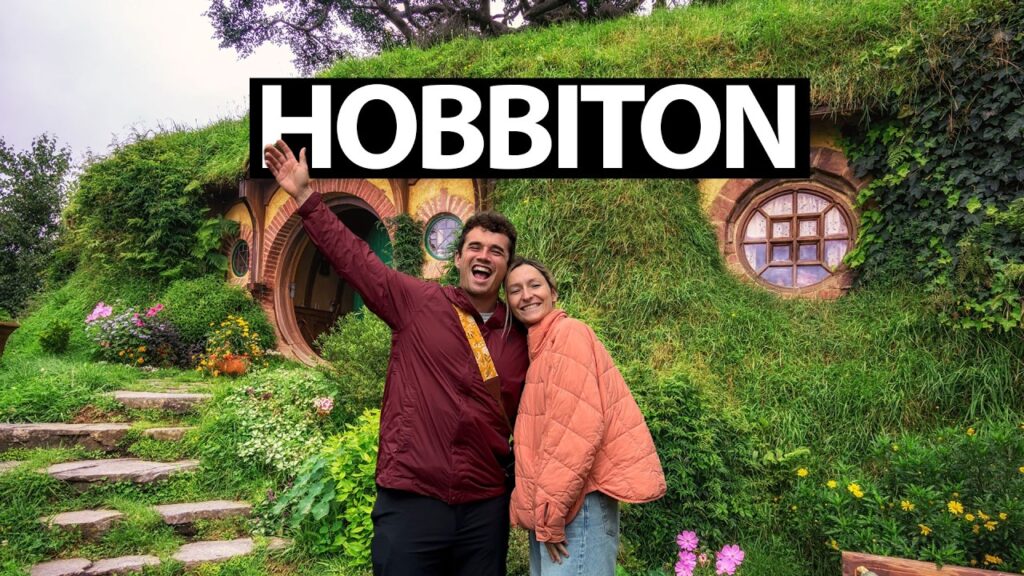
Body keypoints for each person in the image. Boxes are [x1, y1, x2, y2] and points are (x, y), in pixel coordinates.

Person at [263, 140, 529, 576]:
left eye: (496, 251)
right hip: (412, 498)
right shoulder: (417, 302)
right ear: (458, 257)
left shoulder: (520, 335)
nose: (484, 256)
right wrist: (305, 196)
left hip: (485, 507)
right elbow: (356, 260)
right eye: (476, 247)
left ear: (506, 266)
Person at [504, 257, 666, 576]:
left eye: (535, 285)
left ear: (553, 293)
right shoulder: (540, 349)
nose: (527, 295)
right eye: (515, 290)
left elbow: (575, 432)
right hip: (556, 505)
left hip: (574, 506)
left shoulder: (568, 334)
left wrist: (552, 512)